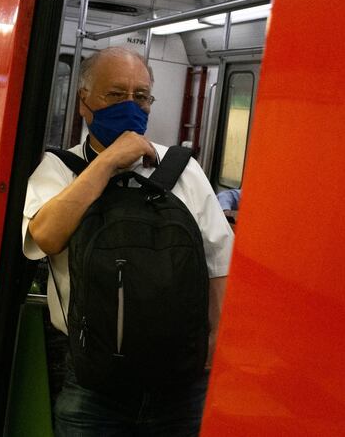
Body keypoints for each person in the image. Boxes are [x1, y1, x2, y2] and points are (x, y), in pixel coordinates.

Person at [22, 47, 233, 436]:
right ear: (85, 103)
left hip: (181, 379)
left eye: (141, 95)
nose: (131, 106)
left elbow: (218, 261)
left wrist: (215, 344)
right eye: (115, 94)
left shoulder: (183, 169)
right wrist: (107, 161)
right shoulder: (59, 169)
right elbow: (47, 237)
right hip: (93, 378)